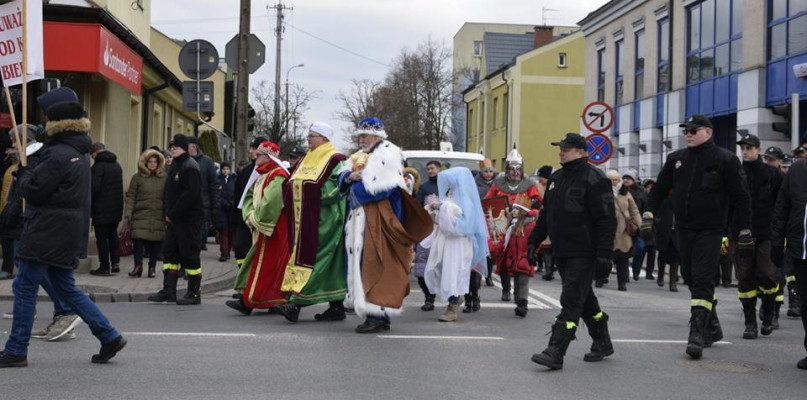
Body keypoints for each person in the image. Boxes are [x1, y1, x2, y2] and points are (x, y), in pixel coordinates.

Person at [0, 88, 126, 368]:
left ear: (57, 123)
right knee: (66, 289)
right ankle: (109, 335)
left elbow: (34, 190)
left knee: (24, 286)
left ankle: (16, 348)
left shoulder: (57, 153)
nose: (43, 123)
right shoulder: (78, 150)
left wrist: (24, 173)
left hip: (46, 228)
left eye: (46, 118)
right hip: (66, 229)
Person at [643, 115, 752, 359]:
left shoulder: (725, 160)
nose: (688, 134)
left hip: (712, 230)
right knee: (692, 279)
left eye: (694, 130)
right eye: (686, 130)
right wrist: (648, 213)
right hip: (684, 229)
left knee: (702, 279)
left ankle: (696, 334)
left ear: (708, 132)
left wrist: (744, 230)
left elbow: (741, 197)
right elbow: (659, 189)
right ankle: (712, 326)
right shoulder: (676, 159)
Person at [527, 133, 616, 371]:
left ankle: (555, 351)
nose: (561, 152)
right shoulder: (557, 178)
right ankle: (602, 341)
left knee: (570, 300)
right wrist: (533, 242)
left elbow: (607, 220)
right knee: (585, 300)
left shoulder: (595, 178)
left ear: (581, 151)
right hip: (562, 250)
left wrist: (604, 255)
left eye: (566, 148)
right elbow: (547, 215)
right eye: (560, 148)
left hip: (585, 251)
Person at [340, 117, 431, 333]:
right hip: (365, 219)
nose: (360, 139)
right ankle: (373, 314)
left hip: (380, 220)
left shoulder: (387, 153)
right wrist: (349, 176)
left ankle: (378, 315)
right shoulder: (365, 154)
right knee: (367, 264)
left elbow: (382, 187)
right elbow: (343, 175)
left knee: (379, 265)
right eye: (359, 135)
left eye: (364, 135)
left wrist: (355, 186)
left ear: (377, 136)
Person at [1, 125, 81, 342]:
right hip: (23, 220)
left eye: (15, 139)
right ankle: (62, 315)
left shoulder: (33, 158)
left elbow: (27, 192)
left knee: (36, 271)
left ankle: (65, 312)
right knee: (34, 271)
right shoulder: (24, 158)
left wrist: (12, 214)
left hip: (28, 222)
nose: (12, 144)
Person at [272, 122, 349, 323]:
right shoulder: (308, 157)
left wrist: (305, 192)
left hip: (326, 219)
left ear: (324, 138)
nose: (308, 140)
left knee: (318, 258)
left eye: (312, 136)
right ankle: (336, 306)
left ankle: (296, 302)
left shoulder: (336, 159)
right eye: (308, 136)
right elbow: (293, 181)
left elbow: (336, 189)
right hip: (304, 219)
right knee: (329, 263)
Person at [227, 141, 290, 315]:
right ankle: (264, 300)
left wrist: (257, 218)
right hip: (261, 227)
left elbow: (271, 203)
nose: (255, 156)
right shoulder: (263, 174)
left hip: (274, 229)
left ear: (269, 157)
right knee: (264, 265)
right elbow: (247, 197)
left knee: (267, 266)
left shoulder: (277, 175)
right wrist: (249, 215)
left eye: (260, 154)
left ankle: (250, 302)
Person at [732, 133, 783, 339]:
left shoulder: (773, 174)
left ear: (759, 150)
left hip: (766, 234)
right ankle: (750, 323)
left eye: (749, 147)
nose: (745, 151)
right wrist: (726, 234)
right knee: (744, 278)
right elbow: (728, 204)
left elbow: (782, 204)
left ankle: (769, 314)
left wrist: (780, 231)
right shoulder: (735, 173)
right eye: (743, 147)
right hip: (741, 234)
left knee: (767, 274)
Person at [422, 167, 489, 322]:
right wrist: (435, 212)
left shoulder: (466, 200)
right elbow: (441, 219)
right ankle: (454, 299)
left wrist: (444, 210)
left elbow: (466, 226)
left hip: (458, 244)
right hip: (446, 241)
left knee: (454, 273)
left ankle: (452, 308)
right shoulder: (449, 197)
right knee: (446, 271)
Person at [147, 134, 205, 305]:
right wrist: (168, 212)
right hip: (175, 220)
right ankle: (168, 291)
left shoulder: (190, 166)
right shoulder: (175, 166)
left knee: (190, 255)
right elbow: (169, 193)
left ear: (185, 148)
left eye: (176, 147)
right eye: (171, 147)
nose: (173, 149)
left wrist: (173, 213)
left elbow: (191, 195)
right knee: (170, 254)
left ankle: (194, 293)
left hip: (189, 220)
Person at [485, 147, 541, 301]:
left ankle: (520, 295)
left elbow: (537, 202)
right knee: (503, 259)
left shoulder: (529, 184)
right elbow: (489, 202)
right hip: (503, 224)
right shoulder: (498, 184)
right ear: (507, 170)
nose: (515, 172)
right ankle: (505, 289)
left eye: (518, 169)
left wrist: (523, 206)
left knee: (521, 259)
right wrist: (505, 210)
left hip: (523, 225)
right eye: (512, 169)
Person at [770, 153, 807, 369]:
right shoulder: (796, 172)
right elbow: (782, 207)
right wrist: (777, 242)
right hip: (800, 249)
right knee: (806, 302)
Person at [492, 194, 537, 317]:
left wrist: (533, 253)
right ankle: (519, 302)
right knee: (517, 281)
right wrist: (496, 250)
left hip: (525, 257)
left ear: (523, 211)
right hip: (513, 258)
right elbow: (504, 241)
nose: (514, 211)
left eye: (518, 209)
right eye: (514, 208)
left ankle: (523, 305)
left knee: (523, 281)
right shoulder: (512, 224)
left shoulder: (529, 225)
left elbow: (535, 240)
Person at [124, 149, 166, 278]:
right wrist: (128, 214)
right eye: (150, 162)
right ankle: (138, 266)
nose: (152, 164)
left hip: (158, 214)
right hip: (140, 214)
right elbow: (131, 196)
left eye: (155, 162)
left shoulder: (164, 177)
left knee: (155, 242)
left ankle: (152, 267)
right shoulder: (137, 178)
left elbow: (168, 196)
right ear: (145, 163)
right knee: (138, 240)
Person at [88, 142, 123, 276]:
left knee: (101, 238)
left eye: (92, 155)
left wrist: (91, 205)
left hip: (101, 209)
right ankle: (115, 262)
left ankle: (104, 266)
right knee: (113, 235)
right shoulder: (116, 165)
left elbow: (94, 188)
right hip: (115, 208)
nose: (92, 158)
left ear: (96, 152)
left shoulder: (98, 167)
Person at [232, 137, 267, 268]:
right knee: (240, 250)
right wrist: (235, 218)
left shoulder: (268, 172)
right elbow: (237, 196)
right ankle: (243, 279)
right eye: (250, 148)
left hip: (259, 220)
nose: (251, 151)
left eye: (254, 148)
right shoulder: (245, 172)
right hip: (243, 219)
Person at [606, 170, 641, 291]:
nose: (614, 182)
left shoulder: (625, 193)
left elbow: (634, 210)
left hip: (624, 229)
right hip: (607, 228)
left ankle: (622, 282)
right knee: (605, 255)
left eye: (615, 179)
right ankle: (601, 277)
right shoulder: (602, 192)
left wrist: (638, 225)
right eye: (611, 180)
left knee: (623, 257)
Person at [413, 160, 440, 312]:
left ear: (439, 169)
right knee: (422, 265)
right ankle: (429, 297)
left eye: (432, 168)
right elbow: (418, 206)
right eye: (428, 169)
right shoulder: (424, 187)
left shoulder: (447, 185)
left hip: (444, 229)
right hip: (427, 229)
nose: (430, 171)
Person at [187, 136, 220, 250]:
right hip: (186, 205)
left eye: (189, 146)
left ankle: (199, 245)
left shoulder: (207, 162)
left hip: (203, 204)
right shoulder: (183, 161)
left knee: (200, 233)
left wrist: (215, 205)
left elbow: (214, 184)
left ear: (194, 147)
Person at [622, 169, 650, 281]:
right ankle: (623, 273)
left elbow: (645, 207)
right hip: (623, 225)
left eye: (628, 178)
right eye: (624, 178)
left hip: (637, 225)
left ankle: (636, 270)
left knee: (640, 247)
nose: (625, 180)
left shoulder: (640, 193)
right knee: (623, 249)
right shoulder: (620, 191)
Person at [475, 159, 496, 287]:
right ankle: (477, 275)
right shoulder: (476, 184)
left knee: (491, 251)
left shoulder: (498, 184)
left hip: (495, 219)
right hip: (481, 219)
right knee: (481, 249)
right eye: (486, 171)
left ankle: (489, 276)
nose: (488, 174)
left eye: (490, 171)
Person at [0, 132, 18, 280]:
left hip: (11, 209)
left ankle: (9, 268)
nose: (7, 151)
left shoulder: (17, 168)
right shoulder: (9, 166)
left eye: (9, 149)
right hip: (5, 208)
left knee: (8, 239)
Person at [654, 196, 680, 292]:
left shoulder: (682, 199)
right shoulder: (664, 199)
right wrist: (658, 223)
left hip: (676, 233)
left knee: (675, 258)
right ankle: (660, 276)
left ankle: (672, 283)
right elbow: (657, 212)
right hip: (664, 231)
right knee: (662, 255)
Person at [535, 165, 556, 281]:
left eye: (541, 177)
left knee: (552, 246)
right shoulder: (537, 187)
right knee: (546, 246)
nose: (539, 179)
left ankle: (551, 269)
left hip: (553, 218)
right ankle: (548, 270)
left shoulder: (554, 185)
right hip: (542, 217)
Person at [217, 161, 236, 262]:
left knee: (230, 232)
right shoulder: (218, 180)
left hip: (231, 210)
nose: (225, 171)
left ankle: (228, 251)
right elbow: (217, 194)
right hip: (222, 210)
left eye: (227, 169)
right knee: (223, 231)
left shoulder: (233, 180)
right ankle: (224, 252)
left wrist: (232, 203)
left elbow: (236, 193)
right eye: (224, 169)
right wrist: (224, 203)